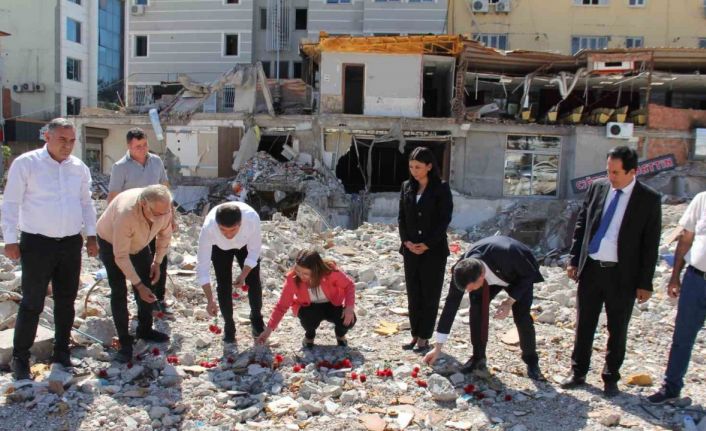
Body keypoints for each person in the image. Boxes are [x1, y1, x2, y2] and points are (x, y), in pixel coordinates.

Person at [560, 146, 661, 397]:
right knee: (584, 323)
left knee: (617, 328)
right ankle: (578, 371)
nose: (611, 177)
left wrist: (645, 283)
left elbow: (651, 244)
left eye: (616, 173)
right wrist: (574, 259)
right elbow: (582, 224)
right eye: (608, 171)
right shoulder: (598, 187)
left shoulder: (648, 199)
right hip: (592, 269)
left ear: (632, 172)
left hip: (623, 275)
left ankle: (610, 377)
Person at [1, 118, 98, 380]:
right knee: (32, 302)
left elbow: (86, 203)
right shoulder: (27, 164)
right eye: (62, 140)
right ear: (48, 137)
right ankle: (21, 359)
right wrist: (10, 239)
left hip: (70, 242)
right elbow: (10, 203)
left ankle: (62, 353)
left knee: (66, 300)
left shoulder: (78, 168)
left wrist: (91, 235)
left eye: (71, 140)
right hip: (37, 243)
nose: (67, 145)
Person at [423, 236, 545, 381]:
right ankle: (478, 357)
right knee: (477, 310)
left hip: (518, 274)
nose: (469, 291)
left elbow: (529, 274)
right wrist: (438, 347)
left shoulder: (508, 253)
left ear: (481, 276)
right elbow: (451, 305)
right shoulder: (461, 270)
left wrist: (509, 302)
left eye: (471, 287)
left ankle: (531, 361)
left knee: (522, 317)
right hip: (490, 275)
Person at [96, 185, 173, 363]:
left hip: (139, 243)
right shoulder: (126, 214)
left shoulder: (164, 210)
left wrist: (157, 262)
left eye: (165, 212)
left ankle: (145, 330)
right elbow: (121, 256)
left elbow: (165, 236)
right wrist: (137, 285)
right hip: (111, 242)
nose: (162, 217)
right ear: (144, 204)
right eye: (157, 214)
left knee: (148, 284)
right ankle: (125, 342)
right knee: (119, 290)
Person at [647, 191, 706, 404]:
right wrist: (675, 277)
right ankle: (671, 387)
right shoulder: (702, 199)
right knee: (682, 337)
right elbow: (686, 239)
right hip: (696, 280)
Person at [108, 127, 173, 313]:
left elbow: (165, 188)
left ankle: (159, 298)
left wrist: (171, 216)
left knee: (160, 256)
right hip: (135, 222)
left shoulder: (156, 161)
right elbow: (114, 197)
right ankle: (144, 301)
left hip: (157, 218)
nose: (143, 149)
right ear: (129, 146)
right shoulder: (120, 167)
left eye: (145, 145)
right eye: (138, 146)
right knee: (140, 263)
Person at [398, 146, 453, 353]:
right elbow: (402, 218)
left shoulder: (441, 188)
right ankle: (414, 334)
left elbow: (444, 219)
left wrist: (428, 243)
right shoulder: (406, 187)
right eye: (411, 167)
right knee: (413, 293)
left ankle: (424, 337)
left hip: (434, 251)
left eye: (418, 167)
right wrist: (407, 242)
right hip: (410, 250)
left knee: (430, 293)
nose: (414, 171)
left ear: (429, 167)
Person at [256, 250, 356, 348]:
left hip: (332, 305)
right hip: (310, 308)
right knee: (307, 318)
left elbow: (349, 285)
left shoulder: (330, 272)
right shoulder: (292, 278)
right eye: (298, 271)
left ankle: (340, 335)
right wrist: (268, 330)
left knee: (349, 320)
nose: (300, 275)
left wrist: (349, 307)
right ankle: (309, 336)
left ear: (316, 270)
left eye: (305, 273)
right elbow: (282, 306)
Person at [197, 202, 265, 342]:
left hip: (245, 245)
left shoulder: (251, 219)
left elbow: (254, 252)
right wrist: (210, 300)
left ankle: (256, 318)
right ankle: (229, 324)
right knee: (223, 284)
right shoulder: (209, 227)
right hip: (219, 248)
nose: (228, 235)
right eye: (223, 230)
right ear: (217, 224)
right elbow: (202, 266)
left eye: (233, 230)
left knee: (253, 280)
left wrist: (243, 274)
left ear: (240, 223)